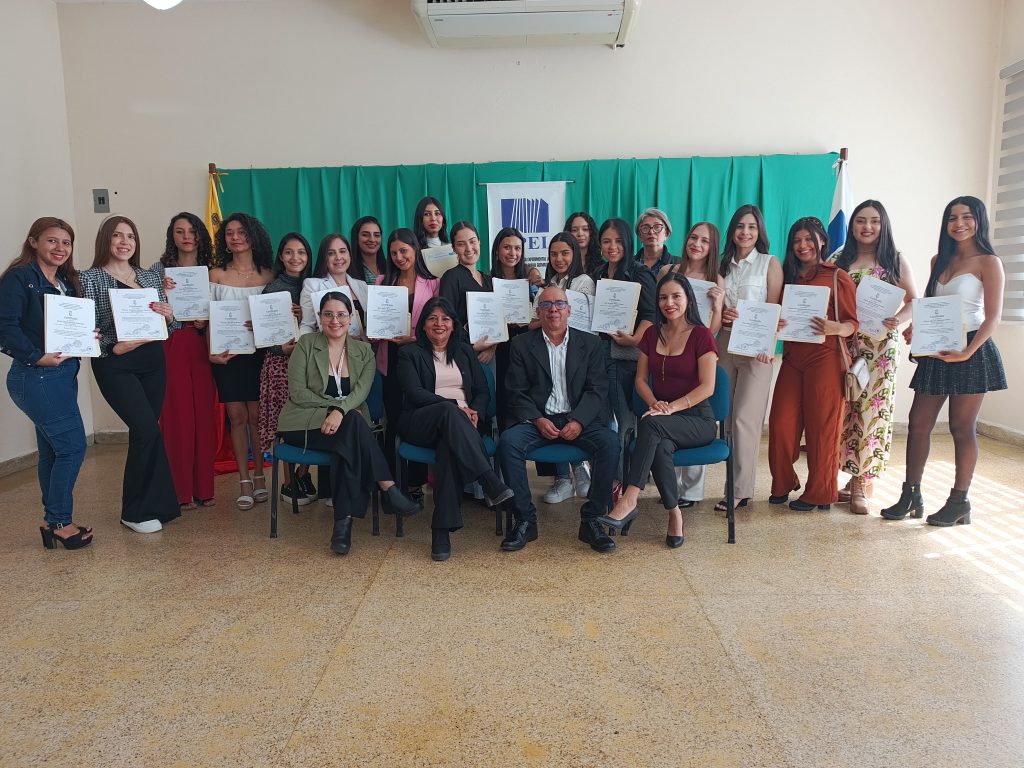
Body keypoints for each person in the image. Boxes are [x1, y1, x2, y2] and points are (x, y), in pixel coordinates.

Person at [881, 196, 1006, 526]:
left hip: (972, 348)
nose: (959, 223)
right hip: (937, 349)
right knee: (918, 423)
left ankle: (959, 501)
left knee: (961, 427)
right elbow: (931, 305)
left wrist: (967, 352)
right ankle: (911, 495)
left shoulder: (989, 262)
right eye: (952, 217)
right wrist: (917, 328)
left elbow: (993, 317)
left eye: (967, 217)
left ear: (979, 220)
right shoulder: (939, 259)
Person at [276, 292, 419, 554]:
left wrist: (339, 412)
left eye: (341, 314)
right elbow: (298, 393)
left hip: (345, 424)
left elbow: (361, 393)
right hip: (303, 421)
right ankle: (388, 487)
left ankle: (342, 529)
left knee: (348, 440)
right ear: (319, 317)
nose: (335, 320)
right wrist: (335, 409)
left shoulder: (364, 351)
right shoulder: (306, 344)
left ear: (351, 317)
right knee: (353, 425)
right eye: (328, 314)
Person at [598, 274, 719, 547]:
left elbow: (708, 387)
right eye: (663, 297)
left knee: (650, 425)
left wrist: (671, 408)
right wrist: (655, 403)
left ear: (688, 299)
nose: (669, 303)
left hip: (697, 420)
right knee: (660, 446)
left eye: (676, 296)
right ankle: (675, 515)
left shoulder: (701, 335)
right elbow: (641, 380)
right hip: (663, 418)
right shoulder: (652, 334)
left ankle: (629, 499)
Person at [497, 285, 620, 554]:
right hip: (540, 420)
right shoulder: (521, 345)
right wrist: (537, 419)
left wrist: (579, 421)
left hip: (579, 420)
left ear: (569, 310)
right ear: (538, 311)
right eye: (546, 304)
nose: (553, 309)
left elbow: (597, 389)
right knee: (508, 443)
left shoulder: (590, 344)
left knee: (610, 443)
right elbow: (515, 391)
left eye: (559, 304)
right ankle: (525, 520)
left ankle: (592, 520)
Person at [80, 215, 179, 533]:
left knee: (145, 432)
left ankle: (151, 507)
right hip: (116, 363)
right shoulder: (88, 278)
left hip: (153, 362)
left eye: (131, 236)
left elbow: (170, 326)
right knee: (147, 430)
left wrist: (170, 315)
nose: (125, 242)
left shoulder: (149, 276)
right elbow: (84, 331)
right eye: (117, 236)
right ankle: (136, 512)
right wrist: (113, 347)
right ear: (105, 240)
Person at [396, 297, 514, 561]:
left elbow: (482, 392)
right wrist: (457, 407)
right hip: (422, 421)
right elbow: (414, 393)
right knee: (448, 411)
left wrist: (475, 412)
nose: (439, 324)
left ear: (453, 325)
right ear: (423, 325)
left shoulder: (464, 352)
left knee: (448, 448)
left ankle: (441, 532)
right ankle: (488, 479)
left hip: (464, 424)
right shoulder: (409, 353)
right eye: (432, 318)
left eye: (445, 319)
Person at [0, 217, 92, 549]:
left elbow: (67, 326)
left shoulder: (65, 281)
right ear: (34, 241)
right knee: (73, 446)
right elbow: (4, 326)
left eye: (66, 243)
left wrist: (87, 336)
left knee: (53, 451)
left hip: (61, 375)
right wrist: (37, 357)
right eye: (52, 241)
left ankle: (52, 521)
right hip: (36, 376)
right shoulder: (20, 278)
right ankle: (61, 523)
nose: (60, 248)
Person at [833, 201, 918, 514]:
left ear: (884, 225)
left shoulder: (894, 259)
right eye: (860, 220)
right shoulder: (838, 258)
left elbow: (913, 300)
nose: (867, 227)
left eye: (874, 221)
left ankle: (861, 482)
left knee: (871, 412)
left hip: (880, 349)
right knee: (844, 411)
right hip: (844, 345)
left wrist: (899, 320)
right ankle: (845, 476)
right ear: (852, 225)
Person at [767, 217, 858, 511]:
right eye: (797, 240)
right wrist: (775, 323)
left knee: (823, 428)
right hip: (793, 358)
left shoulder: (837, 276)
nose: (802, 245)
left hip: (826, 358)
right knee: (781, 423)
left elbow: (853, 323)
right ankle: (783, 481)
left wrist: (836, 327)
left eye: (808, 239)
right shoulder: (788, 277)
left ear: (822, 241)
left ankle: (820, 493)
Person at [715, 204, 783, 512]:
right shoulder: (721, 265)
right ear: (732, 230)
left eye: (752, 227)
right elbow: (715, 309)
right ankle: (732, 487)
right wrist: (723, 315)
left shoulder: (770, 263)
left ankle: (740, 491)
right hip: (725, 343)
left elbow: (774, 308)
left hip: (757, 349)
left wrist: (769, 344)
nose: (745, 232)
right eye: (740, 226)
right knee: (727, 417)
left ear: (760, 232)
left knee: (745, 418)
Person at [208, 212, 274, 510]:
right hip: (227, 355)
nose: (235, 238)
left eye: (241, 232)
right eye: (230, 233)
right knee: (236, 417)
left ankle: (260, 476)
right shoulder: (215, 275)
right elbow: (208, 317)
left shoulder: (269, 275)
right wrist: (211, 352)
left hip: (260, 355)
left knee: (257, 417)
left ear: (253, 236)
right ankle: (244, 480)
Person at [658, 221, 726, 508]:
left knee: (694, 415)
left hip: (697, 354)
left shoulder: (716, 279)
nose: (697, 244)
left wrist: (718, 305)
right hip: (669, 351)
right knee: (669, 420)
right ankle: (670, 488)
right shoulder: (668, 271)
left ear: (712, 247)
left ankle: (692, 492)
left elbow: (713, 329)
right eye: (694, 238)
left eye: (705, 241)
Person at [155, 212, 217, 511]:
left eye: (192, 231)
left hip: (204, 344)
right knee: (177, 415)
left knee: (204, 415)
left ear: (200, 235)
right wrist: (161, 291)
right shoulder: (159, 272)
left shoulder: (214, 271)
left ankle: (203, 488)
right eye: (180, 231)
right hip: (173, 343)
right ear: (172, 236)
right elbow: (149, 309)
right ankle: (180, 491)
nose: (187, 237)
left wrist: (207, 320)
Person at [528, 233, 595, 504]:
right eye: (554, 254)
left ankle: (580, 471)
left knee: (571, 409)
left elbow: (583, 321)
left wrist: (549, 316)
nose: (559, 259)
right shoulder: (550, 284)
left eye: (565, 253)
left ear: (575, 254)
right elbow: (534, 321)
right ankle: (562, 479)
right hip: (550, 349)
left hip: (577, 353)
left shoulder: (584, 281)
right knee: (552, 408)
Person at [375, 228, 440, 497]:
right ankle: (392, 484)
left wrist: (412, 339)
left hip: (419, 358)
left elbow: (436, 325)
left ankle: (415, 481)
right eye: (393, 253)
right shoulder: (382, 282)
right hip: (389, 358)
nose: (399, 257)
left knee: (417, 417)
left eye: (404, 250)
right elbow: (375, 322)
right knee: (393, 420)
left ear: (415, 249)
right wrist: (374, 331)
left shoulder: (433, 283)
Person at [593, 218, 657, 485]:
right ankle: (609, 474)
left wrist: (633, 340)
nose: (612, 247)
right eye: (606, 241)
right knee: (603, 417)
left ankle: (623, 480)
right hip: (599, 354)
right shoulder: (598, 272)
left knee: (625, 421)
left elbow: (651, 315)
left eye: (618, 241)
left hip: (625, 356)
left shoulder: (640, 272)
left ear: (628, 242)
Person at [257, 233, 312, 504]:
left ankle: (303, 474)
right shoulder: (273, 289)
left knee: (311, 420)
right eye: (289, 252)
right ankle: (289, 482)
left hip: (311, 365)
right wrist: (282, 350)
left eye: (301, 252)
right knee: (286, 423)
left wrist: (305, 316)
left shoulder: (315, 285)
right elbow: (263, 335)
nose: (295, 258)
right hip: (281, 365)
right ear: (281, 256)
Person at [488, 226, 543, 429]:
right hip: (501, 344)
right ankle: (506, 439)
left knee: (530, 392)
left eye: (517, 248)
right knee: (504, 393)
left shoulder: (531, 280)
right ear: (497, 250)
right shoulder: (487, 281)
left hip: (528, 343)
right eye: (507, 247)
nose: (513, 253)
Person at [439, 221, 496, 364]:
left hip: (490, 353)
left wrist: (492, 347)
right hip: (464, 353)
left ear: (479, 242)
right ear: (454, 248)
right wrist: (472, 348)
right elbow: (446, 319)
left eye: (472, 241)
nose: (469, 248)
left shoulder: (488, 280)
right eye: (461, 244)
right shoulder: (451, 277)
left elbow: (497, 319)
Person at [299, 233, 369, 340]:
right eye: (331, 253)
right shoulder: (312, 285)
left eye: (342, 251)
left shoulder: (362, 285)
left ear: (349, 255)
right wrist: (304, 347)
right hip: (328, 348)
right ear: (324, 258)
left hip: (363, 348)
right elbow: (307, 326)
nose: (338, 257)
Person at [635, 207, 674, 275]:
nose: (651, 232)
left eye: (657, 227)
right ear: (640, 236)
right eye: (645, 228)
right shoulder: (628, 264)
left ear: (666, 234)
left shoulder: (678, 265)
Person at [564, 211, 603, 277]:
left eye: (585, 229)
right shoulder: (563, 263)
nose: (580, 234)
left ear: (591, 233)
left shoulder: (602, 266)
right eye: (574, 230)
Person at [351, 216, 386, 285]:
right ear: (356, 237)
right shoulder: (349, 269)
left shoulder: (390, 266)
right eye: (365, 235)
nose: (372, 240)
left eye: (376, 235)